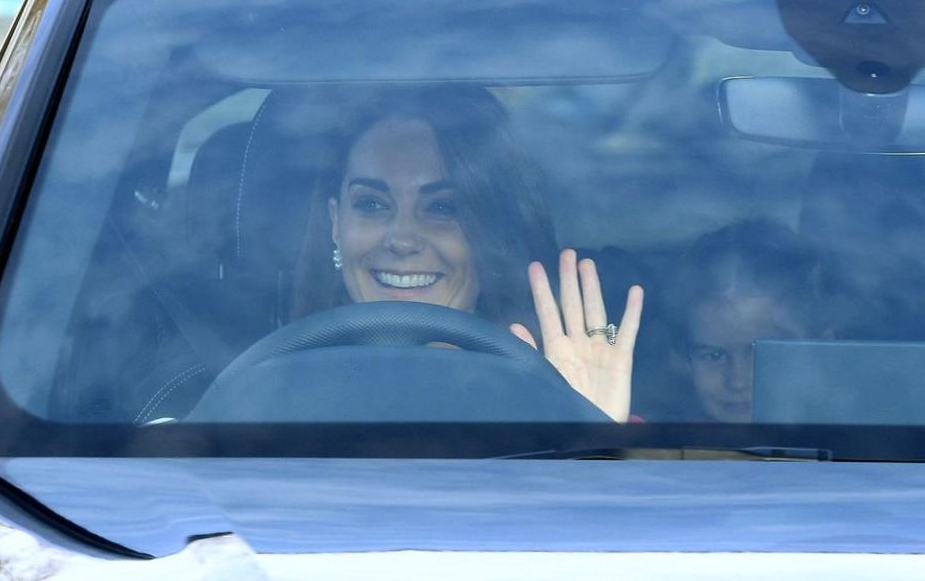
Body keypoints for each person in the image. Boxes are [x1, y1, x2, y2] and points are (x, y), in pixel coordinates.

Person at [290, 86, 643, 422]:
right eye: (371, 203)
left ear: (491, 231)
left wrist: (591, 437)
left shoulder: (566, 399)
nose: (401, 239)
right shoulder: (268, 402)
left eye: (443, 207)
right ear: (336, 223)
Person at [672, 220, 825, 423]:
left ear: (821, 347)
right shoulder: (654, 446)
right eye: (714, 355)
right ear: (683, 362)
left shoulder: (865, 445)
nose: (738, 381)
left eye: (761, 353)